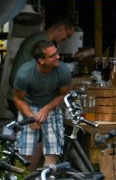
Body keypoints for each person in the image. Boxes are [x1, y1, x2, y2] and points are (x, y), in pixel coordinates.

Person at [12, 40, 73, 169]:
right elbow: (18, 99)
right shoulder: (25, 73)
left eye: (57, 53)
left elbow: (63, 95)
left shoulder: (63, 71)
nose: (58, 57)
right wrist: (31, 117)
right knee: (25, 150)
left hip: (52, 104)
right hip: (29, 105)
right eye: (52, 56)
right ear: (41, 60)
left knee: (53, 150)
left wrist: (46, 108)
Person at [11, 16, 76, 85]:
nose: (66, 38)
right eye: (68, 35)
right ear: (61, 28)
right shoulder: (42, 42)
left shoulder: (42, 38)